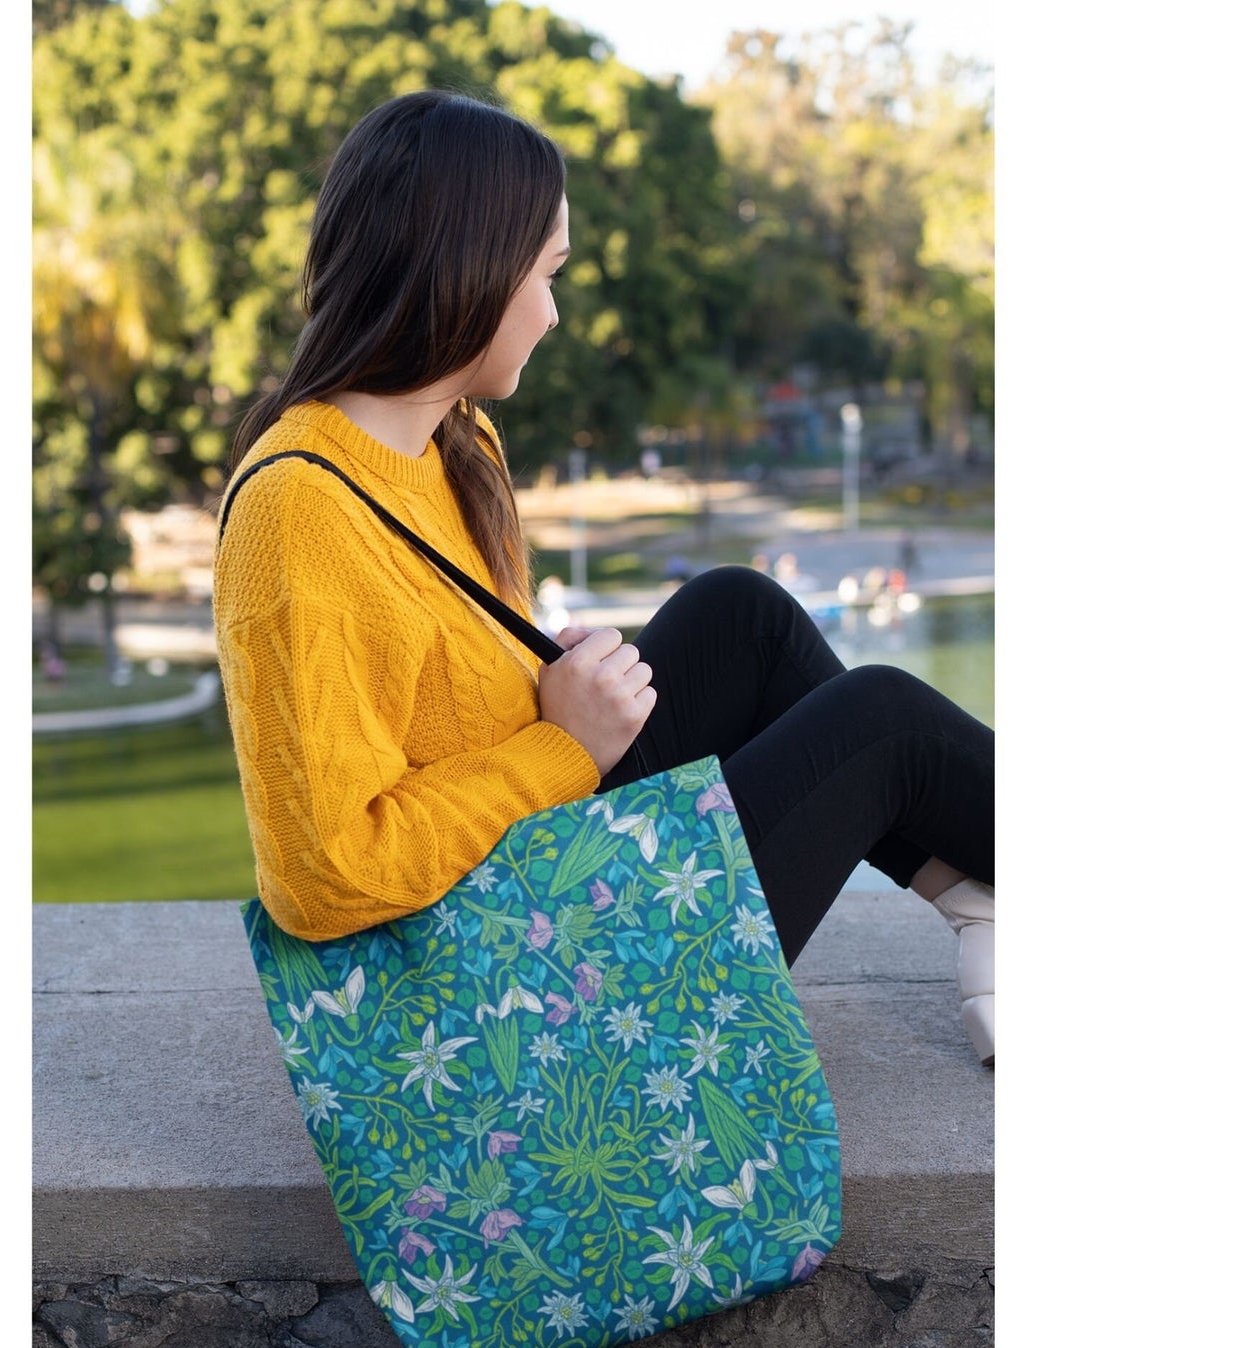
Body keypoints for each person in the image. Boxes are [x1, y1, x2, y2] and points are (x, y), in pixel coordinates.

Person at [213, 91, 994, 1067]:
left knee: (736, 613)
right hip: (512, 1005)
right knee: (881, 722)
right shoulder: (296, 516)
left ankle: (983, 899)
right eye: (545, 276)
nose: (550, 312)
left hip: (534, 886)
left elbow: (442, 698)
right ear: (467, 274)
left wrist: (544, 680)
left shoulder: (457, 444)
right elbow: (323, 877)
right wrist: (560, 744)